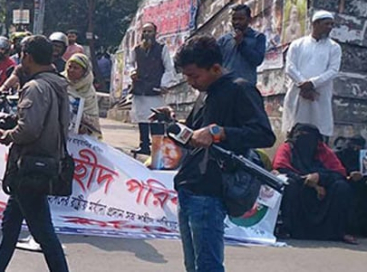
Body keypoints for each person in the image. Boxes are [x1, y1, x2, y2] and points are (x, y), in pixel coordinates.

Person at [155, 35, 275, 272]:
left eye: (194, 75)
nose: (190, 82)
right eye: (187, 76)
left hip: (211, 191)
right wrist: (170, 121)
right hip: (189, 185)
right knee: (193, 265)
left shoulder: (240, 89)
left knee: (208, 266)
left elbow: (263, 134)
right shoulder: (205, 92)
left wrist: (218, 133)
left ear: (216, 68)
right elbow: (190, 137)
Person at [0, 35, 69, 272]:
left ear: (27, 57)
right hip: (41, 164)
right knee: (10, 227)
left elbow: (29, 129)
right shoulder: (57, 83)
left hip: (30, 167)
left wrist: (7, 134)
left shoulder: (35, 87)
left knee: (44, 234)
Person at [273, 123, 358, 244]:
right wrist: (310, 182)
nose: (305, 140)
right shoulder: (287, 148)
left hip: (324, 193)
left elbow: (339, 173)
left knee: (342, 187)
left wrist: (320, 177)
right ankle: (288, 229)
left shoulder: (323, 151)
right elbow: (280, 168)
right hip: (299, 188)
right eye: (300, 136)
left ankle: (337, 231)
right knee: (288, 184)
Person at [282, 11, 342, 140]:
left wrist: (312, 84)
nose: (330, 27)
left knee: (319, 133)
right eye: (327, 24)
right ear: (315, 24)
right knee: (294, 130)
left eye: (332, 24)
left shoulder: (334, 47)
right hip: (298, 92)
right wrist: (303, 84)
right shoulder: (297, 44)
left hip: (319, 95)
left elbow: (333, 70)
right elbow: (290, 67)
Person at [128, 23, 176, 156]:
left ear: (155, 33)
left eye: (150, 31)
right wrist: (132, 72)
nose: (147, 34)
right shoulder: (136, 49)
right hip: (140, 88)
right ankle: (144, 145)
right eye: (145, 31)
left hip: (155, 89)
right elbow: (130, 63)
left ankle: (157, 147)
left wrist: (164, 84)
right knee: (141, 118)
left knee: (156, 118)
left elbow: (168, 67)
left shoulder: (162, 49)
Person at [217, 4, 266, 85]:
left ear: (249, 20)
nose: (237, 22)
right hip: (226, 86)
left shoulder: (258, 37)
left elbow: (257, 60)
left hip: (246, 87)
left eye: (241, 19)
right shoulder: (224, 39)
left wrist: (241, 44)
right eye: (234, 19)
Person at [64, 53, 101, 138]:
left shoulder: (89, 91)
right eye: (70, 67)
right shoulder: (60, 83)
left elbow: (92, 117)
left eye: (76, 68)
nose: (71, 70)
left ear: (84, 71)